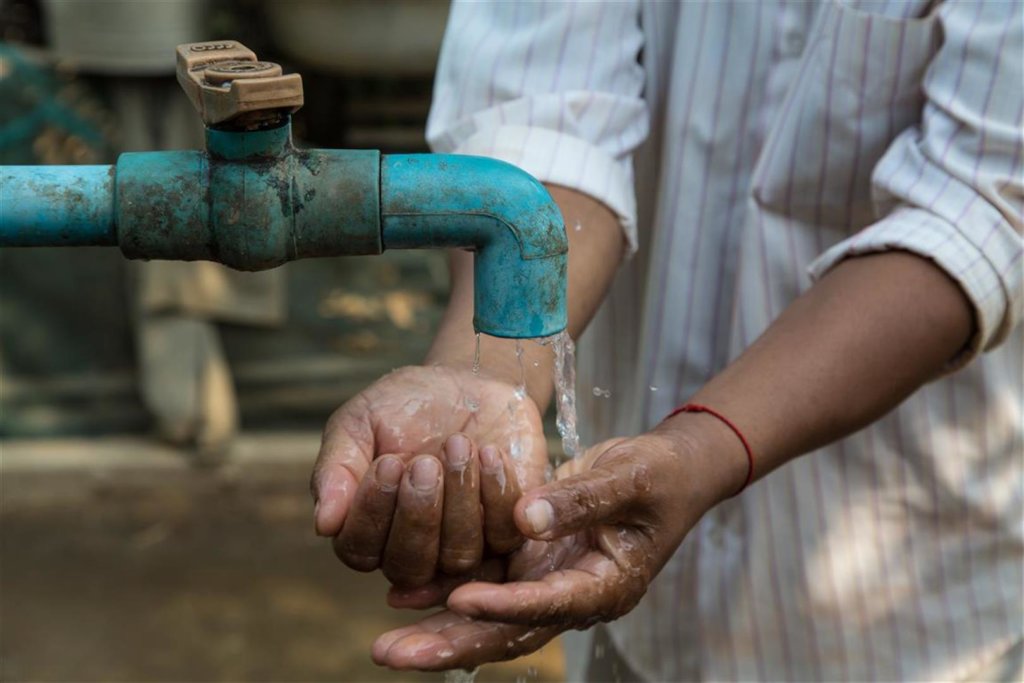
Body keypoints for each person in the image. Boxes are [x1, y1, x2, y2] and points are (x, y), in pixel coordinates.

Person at [311, 1, 1023, 680]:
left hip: (916, 613)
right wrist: (491, 372)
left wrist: (701, 449)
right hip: (632, 627)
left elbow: (976, 207)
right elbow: (546, 115)